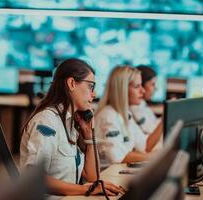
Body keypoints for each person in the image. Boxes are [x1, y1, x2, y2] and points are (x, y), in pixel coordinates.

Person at [19, 58, 123, 197]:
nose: (94, 94)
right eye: (90, 86)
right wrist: (87, 189)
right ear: (72, 83)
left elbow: (91, 178)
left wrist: (88, 136)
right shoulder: (47, 121)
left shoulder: (71, 122)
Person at [95, 66, 163, 164]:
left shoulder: (125, 114)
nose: (142, 91)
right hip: (108, 175)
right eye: (137, 86)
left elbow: (145, 145)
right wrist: (151, 157)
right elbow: (117, 157)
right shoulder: (108, 116)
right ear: (122, 89)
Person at [129, 65, 161, 135]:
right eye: (152, 84)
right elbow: (150, 130)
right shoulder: (134, 107)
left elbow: (154, 123)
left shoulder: (142, 103)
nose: (156, 88)